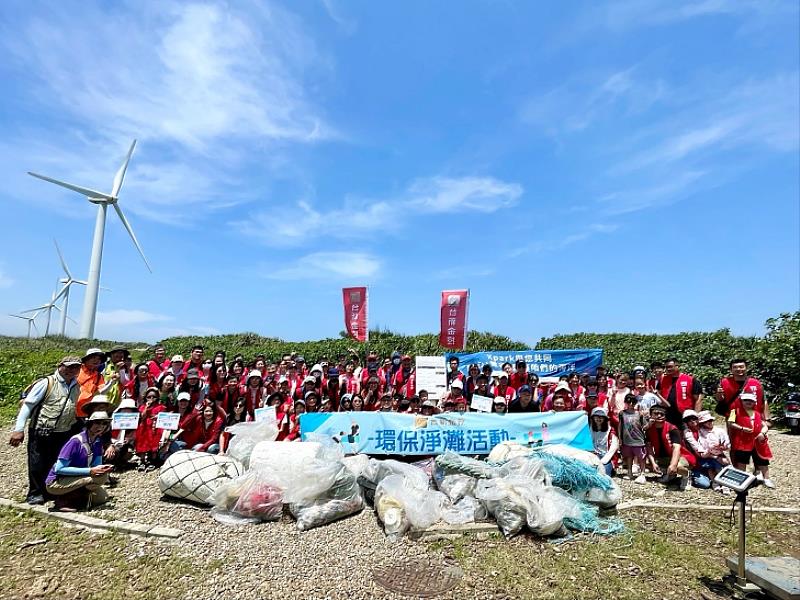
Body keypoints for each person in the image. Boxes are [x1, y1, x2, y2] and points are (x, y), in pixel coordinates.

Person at [10, 356, 82, 505]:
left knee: (55, 461)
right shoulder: (47, 383)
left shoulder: (76, 385)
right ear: (60, 366)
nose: (71, 370)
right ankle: (35, 493)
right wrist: (19, 429)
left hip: (64, 430)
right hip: (41, 429)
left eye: (75, 367)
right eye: (68, 367)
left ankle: (50, 491)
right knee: (37, 462)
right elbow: (28, 406)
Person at [45, 411, 114, 512]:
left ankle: (78, 498)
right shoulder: (75, 442)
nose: (101, 426)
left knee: (101, 497)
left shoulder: (98, 442)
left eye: (104, 423)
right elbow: (59, 469)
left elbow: (96, 465)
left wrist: (103, 468)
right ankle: (62, 501)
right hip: (56, 481)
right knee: (100, 479)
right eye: (97, 423)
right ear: (89, 423)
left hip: (76, 478)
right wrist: (90, 471)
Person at [728, 392, 774, 488]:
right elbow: (730, 423)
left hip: (757, 441)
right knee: (742, 461)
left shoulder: (757, 413)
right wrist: (742, 428)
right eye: (746, 400)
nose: (748, 402)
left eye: (751, 401)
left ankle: (766, 479)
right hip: (742, 441)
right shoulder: (735, 411)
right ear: (742, 401)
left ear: (754, 402)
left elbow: (764, 425)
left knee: (762, 460)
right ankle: (741, 479)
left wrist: (762, 433)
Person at [646, 405, 693, 490]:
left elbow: (676, 447)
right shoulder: (649, 429)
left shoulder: (672, 428)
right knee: (645, 462)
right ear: (651, 415)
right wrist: (653, 463)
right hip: (662, 456)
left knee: (678, 467)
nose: (659, 416)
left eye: (662, 414)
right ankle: (670, 475)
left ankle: (687, 476)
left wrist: (673, 464)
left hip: (680, 455)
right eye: (656, 413)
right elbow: (649, 447)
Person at [659, 358, 703, 427]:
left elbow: (698, 399)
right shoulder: (662, 380)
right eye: (666, 367)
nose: (668, 369)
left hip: (685, 414)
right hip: (667, 415)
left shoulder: (690, 379)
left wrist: (695, 415)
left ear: (677, 366)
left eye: (670, 367)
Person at [696, 410, 731, 492]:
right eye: (706, 421)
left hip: (719, 453)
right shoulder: (701, 432)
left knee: (722, 466)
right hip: (708, 455)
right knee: (711, 467)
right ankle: (715, 483)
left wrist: (722, 447)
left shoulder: (720, 431)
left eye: (710, 420)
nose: (709, 422)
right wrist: (710, 451)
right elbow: (701, 447)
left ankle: (725, 484)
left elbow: (727, 445)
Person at [618, 394, 647, 484]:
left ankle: (642, 474)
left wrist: (650, 423)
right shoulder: (622, 413)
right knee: (629, 456)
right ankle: (629, 472)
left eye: (633, 402)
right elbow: (620, 426)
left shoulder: (639, 413)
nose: (631, 403)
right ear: (625, 402)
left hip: (639, 439)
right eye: (628, 401)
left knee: (641, 457)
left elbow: (644, 426)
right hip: (627, 439)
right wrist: (620, 438)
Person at [134, 387, 165, 470]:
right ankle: (142, 460)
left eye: (154, 397)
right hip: (144, 427)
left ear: (157, 397)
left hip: (155, 427)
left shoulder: (161, 407)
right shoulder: (142, 407)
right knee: (142, 441)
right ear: (145, 397)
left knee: (154, 442)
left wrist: (158, 416)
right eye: (149, 397)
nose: (151, 399)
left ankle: (152, 460)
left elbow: (163, 418)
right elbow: (142, 417)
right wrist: (146, 408)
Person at [680, 410, 711, 489]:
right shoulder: (686, 433)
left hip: (708, 458)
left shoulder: (705, 429)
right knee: (705, 484)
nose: (692, 421)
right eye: (688, 420)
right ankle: (691, 475)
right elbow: (696, 449)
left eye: (694, 418)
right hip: (695, 461)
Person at [106, 398, 138, 468]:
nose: (127, 411)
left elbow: (134, 436)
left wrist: (129, 440)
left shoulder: (133, 423)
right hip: (110, 444)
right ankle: (109, 463)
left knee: (129, 451)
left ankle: (121, 463)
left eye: (130, 409)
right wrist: (112, 444)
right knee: (114, 451)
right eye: (125, 409)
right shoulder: (110, 421)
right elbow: (105, 436)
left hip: (124, 445)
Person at [76, 348, 106, 417]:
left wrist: (112, 382)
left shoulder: (99, 376)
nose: (96, 361)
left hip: (87, 413)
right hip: (71, 411)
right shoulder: (77, 370)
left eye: (99, 359)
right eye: (93, 357)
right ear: (86, 359)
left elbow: (101, 391)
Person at [589, 407, 618, 476]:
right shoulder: (589, 429)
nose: (599, 419)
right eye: (596, 416)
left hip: (605, 457)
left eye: (601, 417)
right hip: (592, 456)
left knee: (604, 474)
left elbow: (612, 449)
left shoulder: (611, 432)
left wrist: (602, 461)